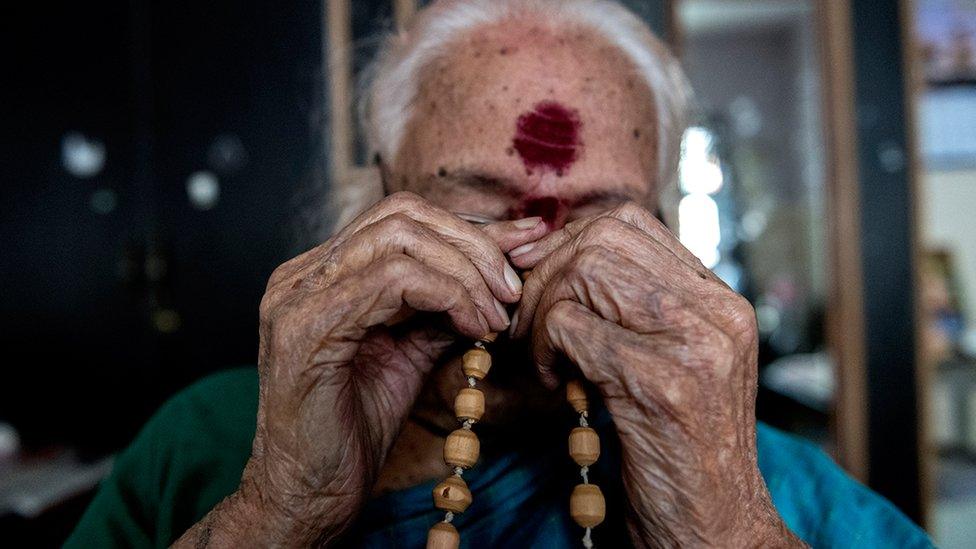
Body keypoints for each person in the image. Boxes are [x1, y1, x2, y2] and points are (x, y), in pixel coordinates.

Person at [66, 0, 932, 547]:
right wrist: (277, 514)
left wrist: (722, 529)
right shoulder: (205, 444)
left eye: (597, 220)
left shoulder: (755, 480)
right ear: (382, 194)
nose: (533, 266)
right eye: (477, 207)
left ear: (663, 231)